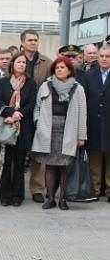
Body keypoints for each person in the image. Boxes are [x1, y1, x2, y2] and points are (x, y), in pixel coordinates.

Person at [31, 56, 87, 210]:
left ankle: (62, 199)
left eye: (63, 67)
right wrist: (38, 122)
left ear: (69, 70)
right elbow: (37, 107)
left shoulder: (78, 88)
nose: (60, 70)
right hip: (48, 131)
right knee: (49, 165)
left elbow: (83, 114)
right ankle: (50, 198)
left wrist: (81, 136)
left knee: (64, 166)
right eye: (57, 68)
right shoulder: (46, 86)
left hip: (68, 130)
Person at [0, 53, 37, 206]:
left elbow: (31, 105)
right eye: (18, 62)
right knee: (6, 162)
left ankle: (17, 196)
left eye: (24, 62)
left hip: (23, 127)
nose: (21, 64)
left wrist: (19, 115)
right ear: (12, 64)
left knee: (19, 163)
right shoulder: (3, 82)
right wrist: (10, 113)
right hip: (6, 125)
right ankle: (4, 196)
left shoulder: (31, 83)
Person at [20, 29, 52, 203]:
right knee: (17, 151)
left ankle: (37, 189)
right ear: (22, 42)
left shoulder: (47, 62)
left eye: (35, 40)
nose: (33, 42)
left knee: (39, 152)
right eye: (30, 40)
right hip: (19, 113)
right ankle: (15, 186)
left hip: (39, 113)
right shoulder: (16, 60)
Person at [81, 45, 110, 201]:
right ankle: (95, 189)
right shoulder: (89, 75)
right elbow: (84, 99)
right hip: (94, 123)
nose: (104, 59)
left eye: (107, 56)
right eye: (102, 56)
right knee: (95, 159)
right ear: (97, 58)